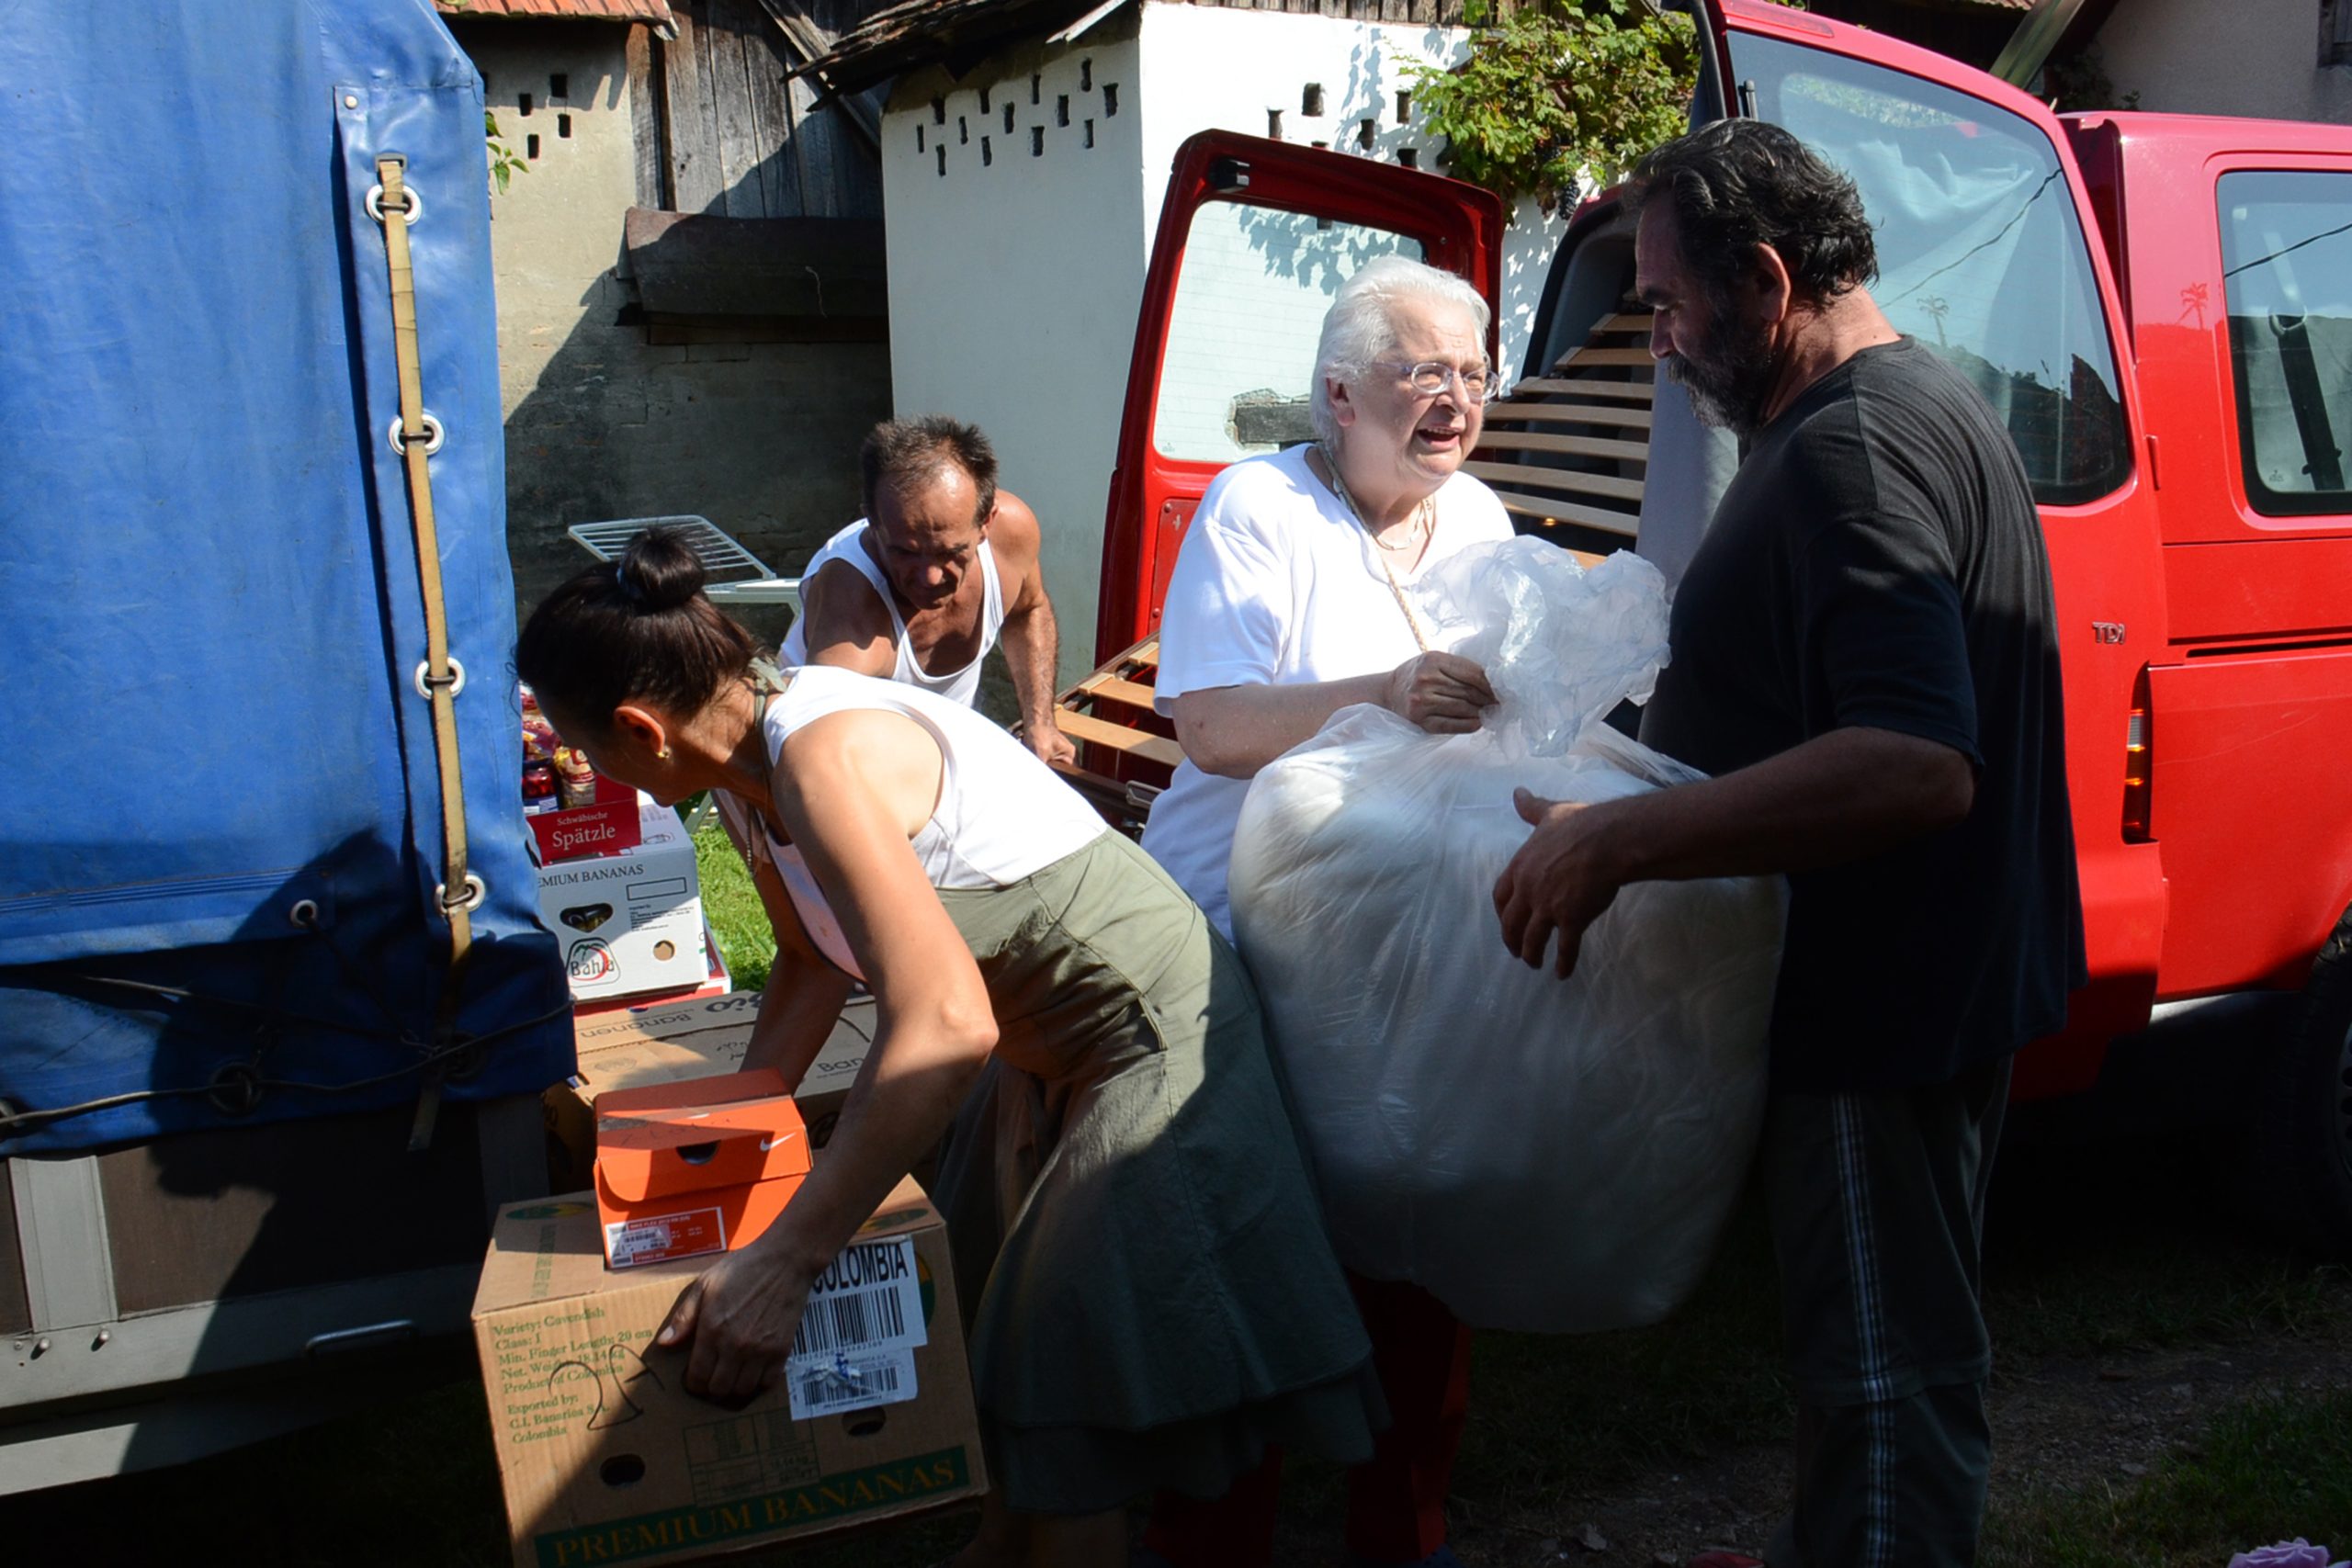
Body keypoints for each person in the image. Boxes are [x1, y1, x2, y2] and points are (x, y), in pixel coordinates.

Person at [515, 528, 1383, 1568]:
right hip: (1038, 1058)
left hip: (1151, 1049)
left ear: (638, 729)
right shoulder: (750, 778)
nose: (584, 770)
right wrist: (715, 1143)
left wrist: (787, 1261)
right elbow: (809, 964)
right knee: (984, 1338)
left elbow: (945, 1024)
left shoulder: (821, 760)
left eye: (581, 747)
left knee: (1063, 1389)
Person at [1491, 119, 2084, 1568]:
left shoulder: (1859, 450)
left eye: (1674, 300)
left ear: (1766, 277)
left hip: (1879, 1007)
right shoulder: (1906, 405)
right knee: (1869, 1355)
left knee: (1888, 1378)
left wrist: (1626, 838)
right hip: (1914, 982)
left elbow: (1915, 758)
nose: (1660, 334)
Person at [1137, 254, 1515, 1568]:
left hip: (1405, 928)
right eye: (1425, 374)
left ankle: (1403, 1524)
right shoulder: (1258, 507)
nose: (1456, 401)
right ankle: (1214, 1532)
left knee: (1420, 1221)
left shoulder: (1482, 523)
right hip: (1242, 928)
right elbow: (1212, 724)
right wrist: (1385, 690)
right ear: (1341, 393)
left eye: (1474, 373)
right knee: (1243, 1243)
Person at [784, 415, 1073, 766]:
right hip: (835, 754)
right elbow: (832, 758)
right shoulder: (853, 606)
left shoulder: (1011, 536)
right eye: (904, 552)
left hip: (940, 742)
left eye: (950, 552)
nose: (931, 577)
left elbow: (1028, 610)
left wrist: (1040, 721)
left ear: (986, 523)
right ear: (873, 525)